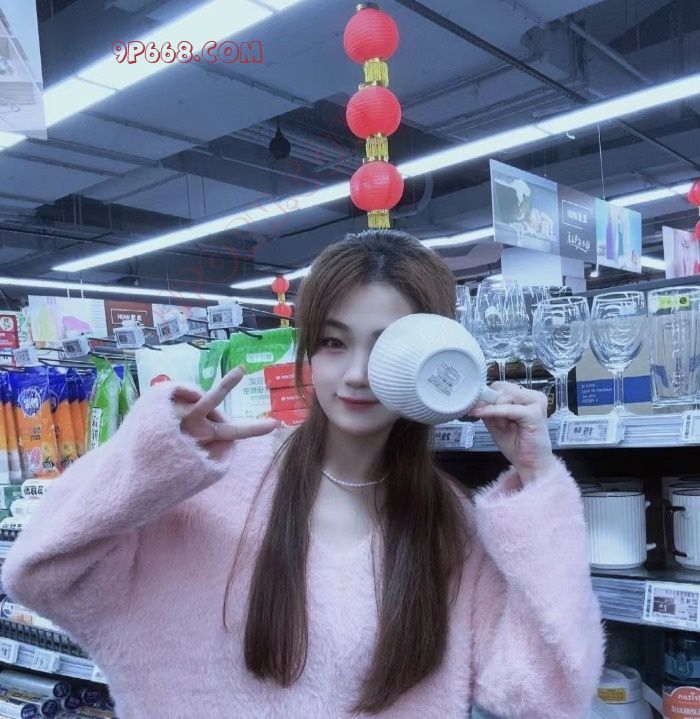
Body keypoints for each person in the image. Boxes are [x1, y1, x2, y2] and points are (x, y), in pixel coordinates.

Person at [2, 229, 604, 718]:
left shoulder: (449, 525)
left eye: (386, 347)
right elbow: (41, 571)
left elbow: (547, 693)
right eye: (334, 343)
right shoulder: (215, 482)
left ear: (432, 356)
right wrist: (153, 455)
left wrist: (537, 478)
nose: (357, 374)